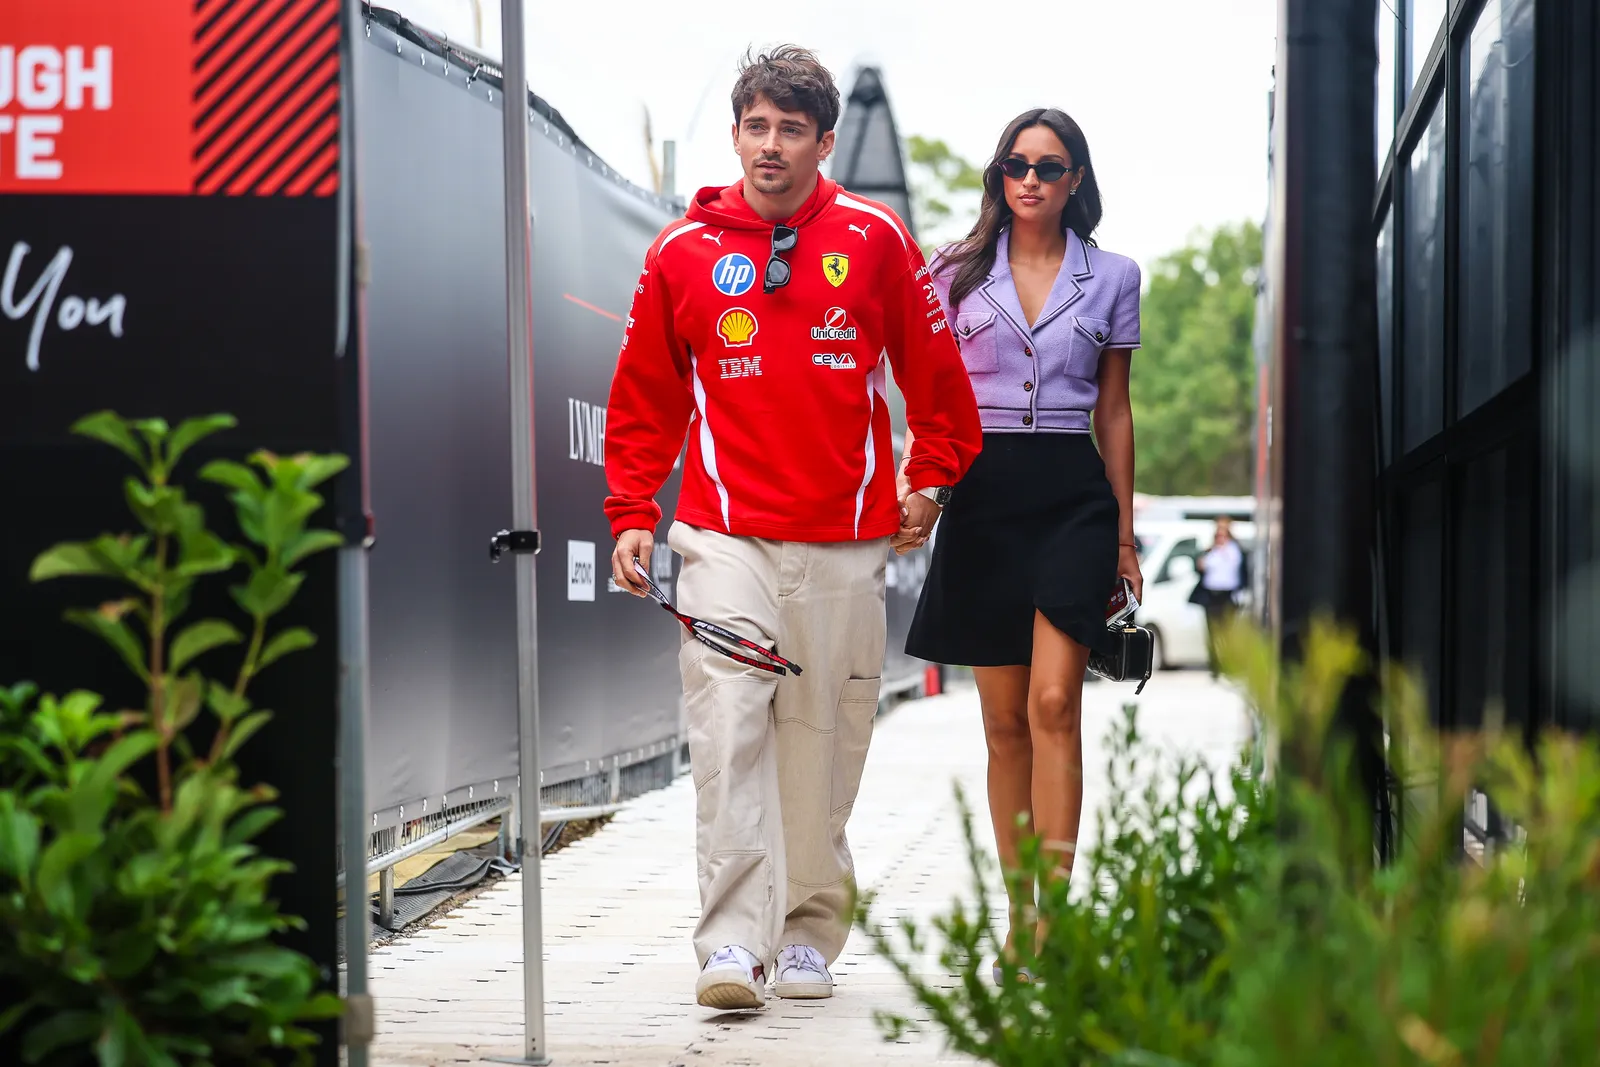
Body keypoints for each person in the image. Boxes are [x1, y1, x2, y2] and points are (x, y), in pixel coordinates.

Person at [602, 45, 983, 1011]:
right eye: (756, 126)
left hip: (848, 537)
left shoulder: (877, 239)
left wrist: (928, 480)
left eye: (791, 130)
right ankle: (731, 943)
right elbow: (645, 400)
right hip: (722, 536)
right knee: (727, 728)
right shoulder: (681, 251)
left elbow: (938, 384)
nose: (770, 147)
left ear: (821, 141)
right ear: (737, 134)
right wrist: (632, 511)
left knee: (823, 736)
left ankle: (810, 928)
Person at [896, 108, 1143, 982]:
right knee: (1003, 723)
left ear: (1076, 179)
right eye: (1015, 164)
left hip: (1071, 497)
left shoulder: (1113, 276)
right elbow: (929, 394)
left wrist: (1122, 531)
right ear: (999, 177)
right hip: (983, 493)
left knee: (1052, 705)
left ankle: (1056, 923)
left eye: (1049, 165)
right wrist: (923, 487)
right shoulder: (951, 273)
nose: (1029, 178)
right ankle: (1019, 913)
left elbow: (1113, 409)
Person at [1194, 516, 1246, 678]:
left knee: (1227, 632)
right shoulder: (1210, 551)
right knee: (1212, 633)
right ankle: (1215, 665)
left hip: (1227, 595)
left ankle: (1229, 664)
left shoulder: (1235, 551)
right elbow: (1200, 568)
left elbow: (1240, 572)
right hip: (1211, 595)